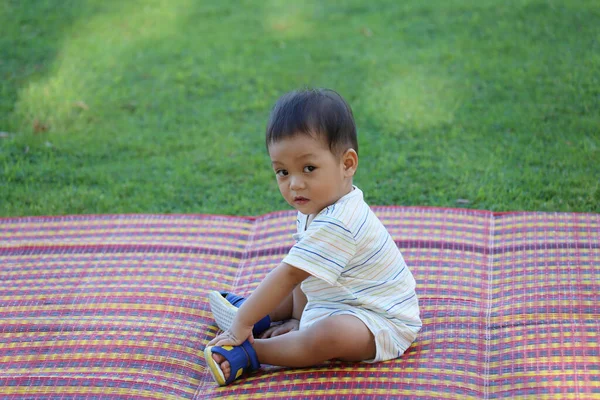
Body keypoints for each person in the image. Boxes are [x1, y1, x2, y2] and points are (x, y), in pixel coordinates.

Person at [204, 88, 421, 386]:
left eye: (309, 168)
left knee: (329, 336)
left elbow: (290, 275)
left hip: (379, 321)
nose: (295, 184)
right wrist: (296, 317)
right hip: (335, 298)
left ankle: (253, 348)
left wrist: (242, 325)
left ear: (347, 164)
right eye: (282, 172)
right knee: (302, 269)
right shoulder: (316, 206)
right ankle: (263, 314)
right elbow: (304, 273)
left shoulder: (341, 221)